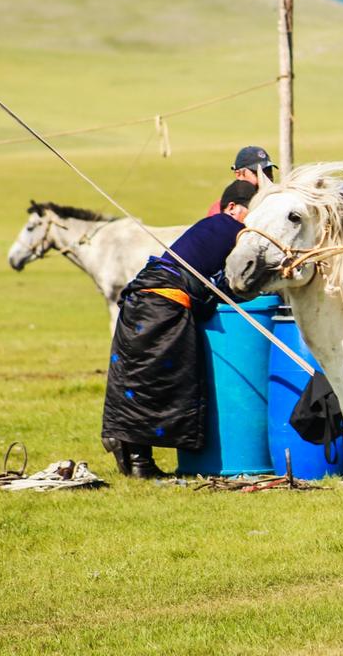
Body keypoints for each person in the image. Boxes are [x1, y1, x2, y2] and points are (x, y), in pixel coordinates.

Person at [101, 180, 258, 477]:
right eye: (253, 210)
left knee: (139, 380)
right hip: (163, 303)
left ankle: (131, 451)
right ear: (233, 207)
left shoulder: (208, 228)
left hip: (142, 299)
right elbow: (235, 281)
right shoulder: (231, 229)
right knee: (162, 384)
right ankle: (137, 460)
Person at [205, 146, 275, 216]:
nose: (266, 179)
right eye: (258, 173)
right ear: (238, 174)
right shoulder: (220, 211)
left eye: (268, 172)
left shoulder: (276, 204)